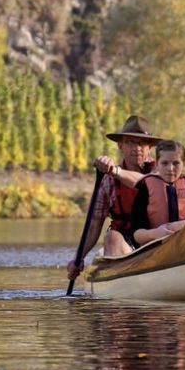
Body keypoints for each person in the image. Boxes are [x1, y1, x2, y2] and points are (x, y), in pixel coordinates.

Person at [66, 115, 162, 282]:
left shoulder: (161, 172)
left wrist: (115, 171)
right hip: (125, 245)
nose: (136, 148)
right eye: (130, 142)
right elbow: (94, 224)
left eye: (141, 143)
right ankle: (125, 279)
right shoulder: (108, 181)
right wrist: (78, 258)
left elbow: (143, 183)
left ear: (150, 148)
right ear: (120, 146)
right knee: (112, 237)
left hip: (157, 240)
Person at [130, 139, 185, 245]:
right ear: (157, 164)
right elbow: (137, 234)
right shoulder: (145, 190)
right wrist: (157, 233)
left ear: (184, 164)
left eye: (176, 163)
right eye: (164, 163)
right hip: (157, 247)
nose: (170, 168)